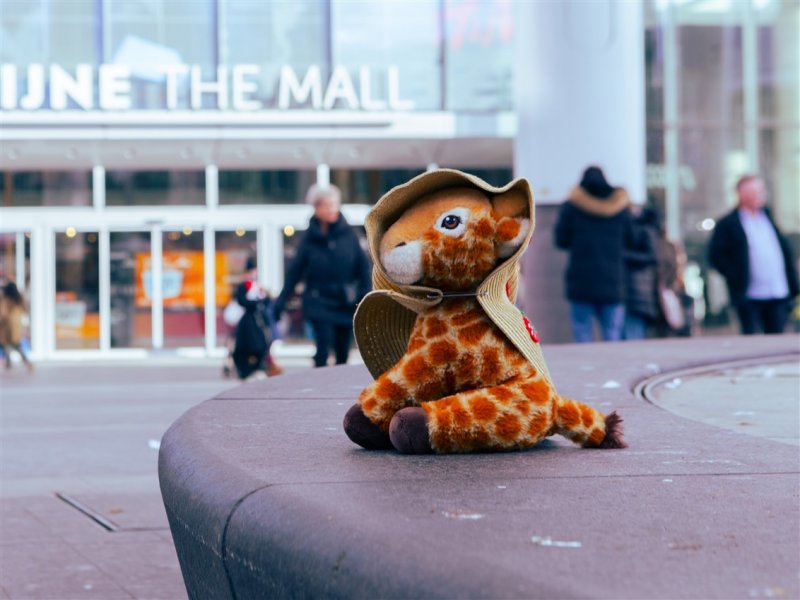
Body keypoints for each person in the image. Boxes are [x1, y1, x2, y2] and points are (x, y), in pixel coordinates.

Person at [274, 183, 371, 367]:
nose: (332, 209)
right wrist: (281, 301)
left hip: (345, 302)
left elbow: (364, 269)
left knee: (342, 353)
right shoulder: (308, 239)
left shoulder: (350, 235)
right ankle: (319, 382)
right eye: (327, 205)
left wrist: (364, 298)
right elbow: (295, 272)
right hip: (318, 301)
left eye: (335, 204)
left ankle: (338, 384)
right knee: (323, 349)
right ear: (316, 208)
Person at [554, 166, 646, 342]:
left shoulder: (571, 206)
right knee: (612, 334)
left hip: (581, 281)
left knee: (582, 333)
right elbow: (633, 240)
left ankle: (584, 360)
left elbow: (561, 240)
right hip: (612, 280)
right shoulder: (619, 208)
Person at [709, 174, 799, 335]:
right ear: (741, 194)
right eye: (753, 191)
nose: (759, 195)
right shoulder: (729, 223)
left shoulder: (769, 218)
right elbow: (716, 256)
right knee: (752, 338)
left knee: (777, 337)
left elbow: (783, 252)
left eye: (760, 191)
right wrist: (735, 276)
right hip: (749, 295)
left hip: (777, 292)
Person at [232, 257, 282, 380]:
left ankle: (261, 366)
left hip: (259, 320)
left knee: (262, 343)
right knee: (247, 344)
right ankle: (247, 369)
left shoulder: (258, 286)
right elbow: (241, 300)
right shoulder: (243, 287)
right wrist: (255, 302)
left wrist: (263, 300)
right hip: (248, 321)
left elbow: (267, 301)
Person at [0, 281, 33, 371]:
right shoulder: (19, 298)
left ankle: (8, 363)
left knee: (6, 344)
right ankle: (26, 362)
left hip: (7, 325)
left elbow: (3, 313)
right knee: (16, 345)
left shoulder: (5, 299)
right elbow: (25, 309)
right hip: (17, 324)